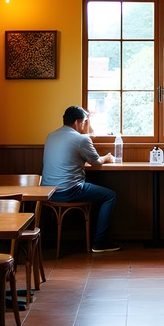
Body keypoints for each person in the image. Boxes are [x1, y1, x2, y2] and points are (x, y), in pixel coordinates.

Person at [42, 106, 120, 253]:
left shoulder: (51, 136)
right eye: (85, 122)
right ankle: (100, 242)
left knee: (100, 194)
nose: (86, 125)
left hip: (47, 192)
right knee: (110, 196)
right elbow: (96, 163)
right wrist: (108, 157)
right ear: (78, 122)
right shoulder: (81, 139)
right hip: (69, 191)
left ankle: (45, 240)